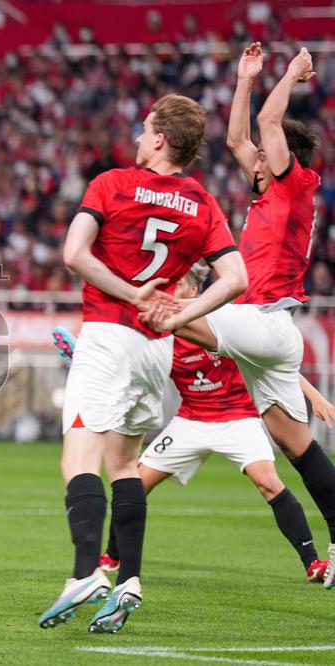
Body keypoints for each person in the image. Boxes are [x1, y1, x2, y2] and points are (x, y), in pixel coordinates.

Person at [39, 94, 248, 634]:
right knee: (126, 465)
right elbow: (236, 279)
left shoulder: (111, 183)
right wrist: (180, 314)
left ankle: (87, 572)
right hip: (156, 349)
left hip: (109, 332)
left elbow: (75, 255)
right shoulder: (203, 202)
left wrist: (133, 295)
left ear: (159, 139)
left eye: (144, 129)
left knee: (79, 454)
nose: (137, 136)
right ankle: (128, 579)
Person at [146, 46, 335, 590]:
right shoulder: (271, 190)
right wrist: (245, 78)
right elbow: (236, 137)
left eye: (261, 156)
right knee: (297, 446)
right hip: (268, 333)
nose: (249, 159)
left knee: (170, 312)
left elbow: (269, 122)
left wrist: (292, 73)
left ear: (280, 158)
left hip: (263, 319)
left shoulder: (294, 182)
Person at [54, 263, 334, 584]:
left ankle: (312, 563)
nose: (171, 290)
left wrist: (314, 396)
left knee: (269, 482)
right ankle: (113, 556)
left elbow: (273, 360)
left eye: (177, 284)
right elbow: (130, 362)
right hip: (190, 420)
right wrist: (87, 357)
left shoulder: (219, 321)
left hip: (237, 418)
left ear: (194, 289)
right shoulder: (164, 330)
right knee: (136, 481)